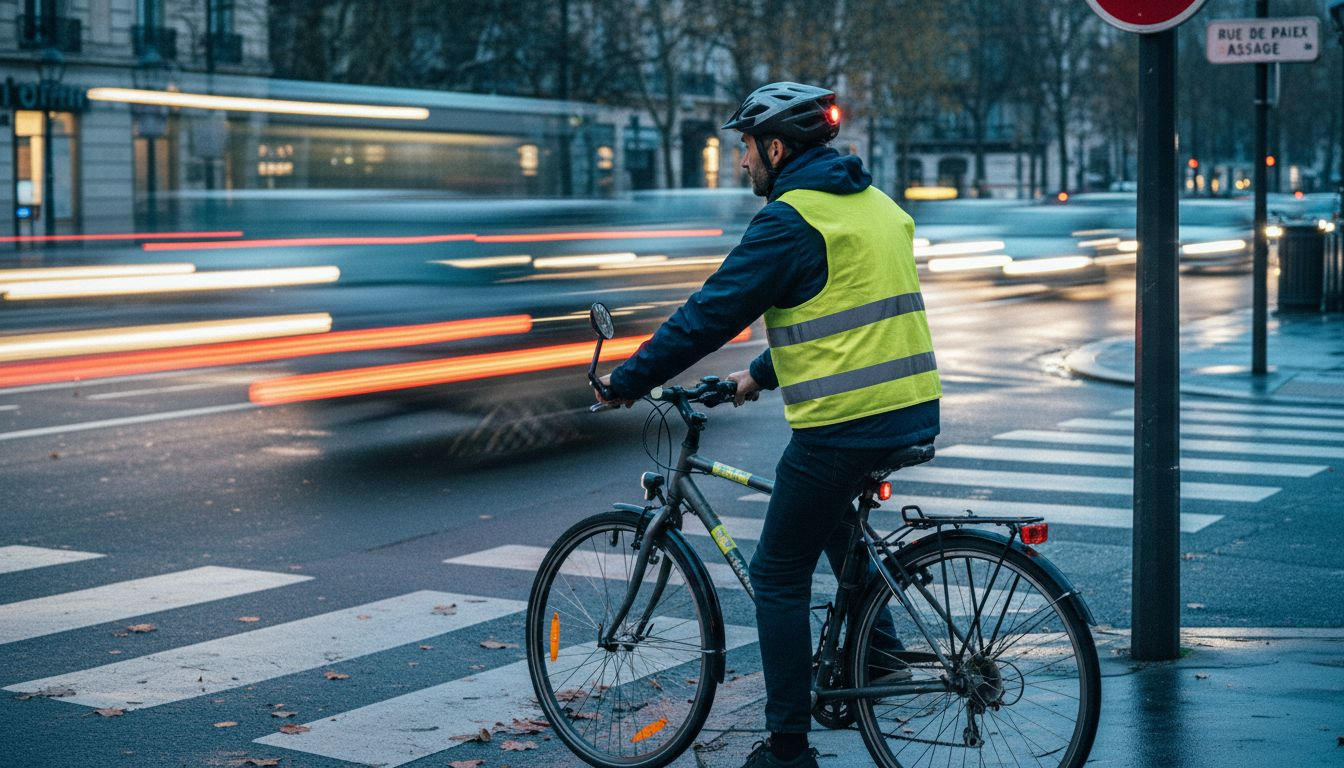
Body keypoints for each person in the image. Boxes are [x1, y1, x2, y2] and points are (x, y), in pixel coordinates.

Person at [596, 81, 941, 768]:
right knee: (833, 526)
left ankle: (787, 750)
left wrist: (627, 381)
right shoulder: (877, 206)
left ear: (777, 148)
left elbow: (711, 312)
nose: (742, 161)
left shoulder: (790, 219)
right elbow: (846, 316)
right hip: (908, 406)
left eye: (747, 148)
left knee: (777, 573)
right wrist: (755, 375)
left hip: (844, 424)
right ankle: (878, 656)